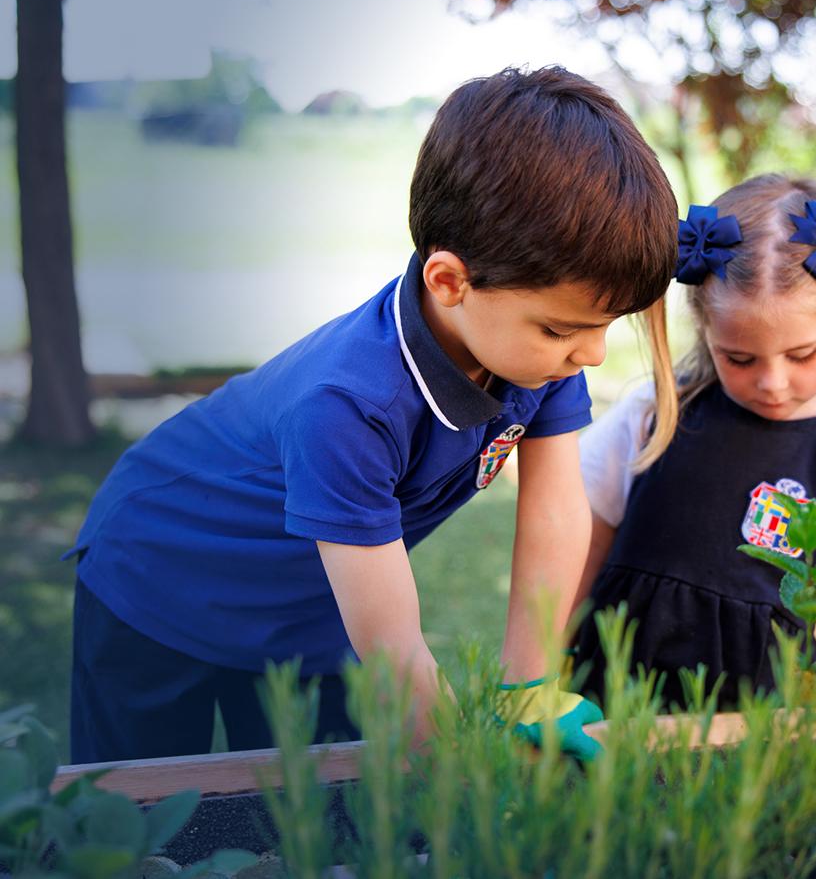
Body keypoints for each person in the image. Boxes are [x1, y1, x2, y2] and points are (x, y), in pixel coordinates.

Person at [66, 66, 681, 765]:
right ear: (449, 282)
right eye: (561, 329)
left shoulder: (535, 355)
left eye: (603, 327)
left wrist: (530, 685)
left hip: (314, 609)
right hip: (162, 578)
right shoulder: (349, 405)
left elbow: (554, 511)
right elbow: (393, 652)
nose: (594, 355)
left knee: (312, 814)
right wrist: (468, 779)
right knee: (143, 815)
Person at [571, 172, 816, 723]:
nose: (771, 382)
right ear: (702, 322)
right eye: (740, 359)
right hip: (613, 716)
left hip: (765, 745)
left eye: (800, 355)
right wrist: (547, 676)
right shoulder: (655, 414)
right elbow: (578, 551)